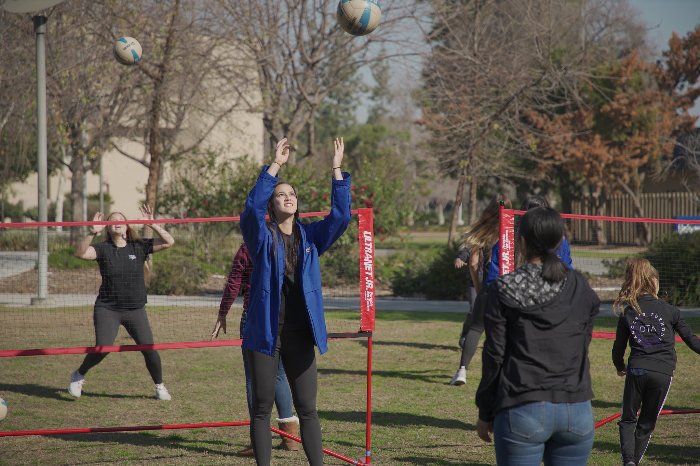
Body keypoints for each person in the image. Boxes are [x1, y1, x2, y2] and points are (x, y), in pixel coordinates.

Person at [240, 137, 351, 466]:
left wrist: (336, 170)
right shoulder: (261, 236)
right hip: (265, 334)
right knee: (261, 408)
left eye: (291, 194)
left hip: (300, 335)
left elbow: (341, 217)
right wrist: (275, 167)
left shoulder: (310, 237)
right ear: (272, 205)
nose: (287, 197)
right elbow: (250, 209)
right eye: (280, 194)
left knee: (308, 409)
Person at [475, 207, 599, 466]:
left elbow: (494, 354)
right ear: (560, 241)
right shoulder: (580, 285)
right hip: (576, 409)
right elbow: (583, 337)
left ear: (521, 242)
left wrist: (485, 410)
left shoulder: (504, 288)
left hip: (522, 406)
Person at [69, 205, 174, 400]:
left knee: (149, 349)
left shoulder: (139, 245)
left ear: (126, 226)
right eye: (112, 220)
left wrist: (152, 224)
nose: (116, 222)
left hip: (135, 309)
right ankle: (79, 375)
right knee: (103, 347)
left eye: (120, 219)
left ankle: (160, 386)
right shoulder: (103, 249)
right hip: (108, 308)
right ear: (108, 228)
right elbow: (80, 253)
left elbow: (169, 242)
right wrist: (92, 232)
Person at [211, 242, 299, 456]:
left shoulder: (248, 247)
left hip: (255, 318)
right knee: (278, 375)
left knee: (253, 377)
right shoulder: (287, 244)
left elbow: (234, 282)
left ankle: (258, 440)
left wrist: (223, 313)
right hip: (281, 318)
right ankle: (290, 440)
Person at [612, 258, 700, 466]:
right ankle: (633, 461)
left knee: (627, 419)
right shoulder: (671, 311)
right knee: (646, 424)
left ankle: (629, 461)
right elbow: (693, 341)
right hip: (662, 373)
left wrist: (619, 366)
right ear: (653, 282)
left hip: (637, 370)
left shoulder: (629, 311)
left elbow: (618, 348)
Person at [449, 195, 511, 386]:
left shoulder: (481, 230)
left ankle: (462, 371)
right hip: (512, 288)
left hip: (490, 287)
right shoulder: (513, 229)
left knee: (476, 328)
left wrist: (479, 287)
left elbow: (474, 263)